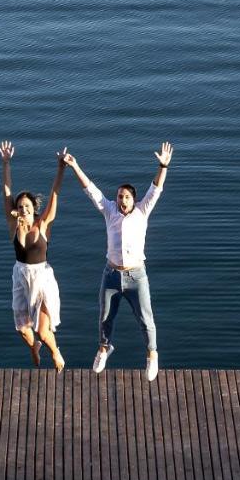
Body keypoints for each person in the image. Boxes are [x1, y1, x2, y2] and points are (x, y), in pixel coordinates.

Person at [61, 142, 173, 380]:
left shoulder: (142, 212)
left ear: (134, 199)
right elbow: (91, 190)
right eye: (120, 196)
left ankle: (152, 355)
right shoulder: (109, 211)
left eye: (126, 197)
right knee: (104, 317)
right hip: (111, 275)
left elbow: (156, 189)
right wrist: (75, 166)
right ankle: (104, 348)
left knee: (145, 318)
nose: (122, 200)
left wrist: (162, 166)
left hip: (136, 276)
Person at [0, 141, 67, 370]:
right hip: (20, 275)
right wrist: (6, 163)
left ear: (33, 209)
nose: (24, 209)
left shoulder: (43, 225)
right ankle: (34, 347)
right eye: (21, 206)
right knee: (22, 328)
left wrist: (61, 168)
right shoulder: (13, 225)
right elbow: (6, 192)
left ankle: (56, 353)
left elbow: (54, 193)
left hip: (42, 278)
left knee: (42, 329)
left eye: (27, 206)